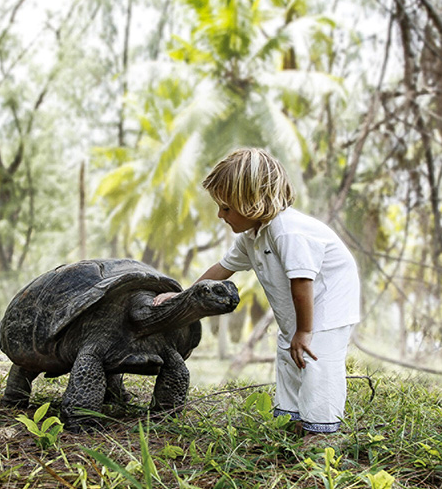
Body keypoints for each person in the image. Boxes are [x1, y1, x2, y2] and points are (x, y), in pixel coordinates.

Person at [154, 147, 360, 441]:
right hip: (299, 312)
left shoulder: (287, 231)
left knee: (317, 362)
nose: (220, 215)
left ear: (253, 203)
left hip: (328, 305)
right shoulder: (251, 237)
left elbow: (302, 281)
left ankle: (322, 434)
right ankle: (295, 420)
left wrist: (304, 330)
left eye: (226, 208)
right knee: (289, 355)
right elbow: (221, 269)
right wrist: (182, 297)